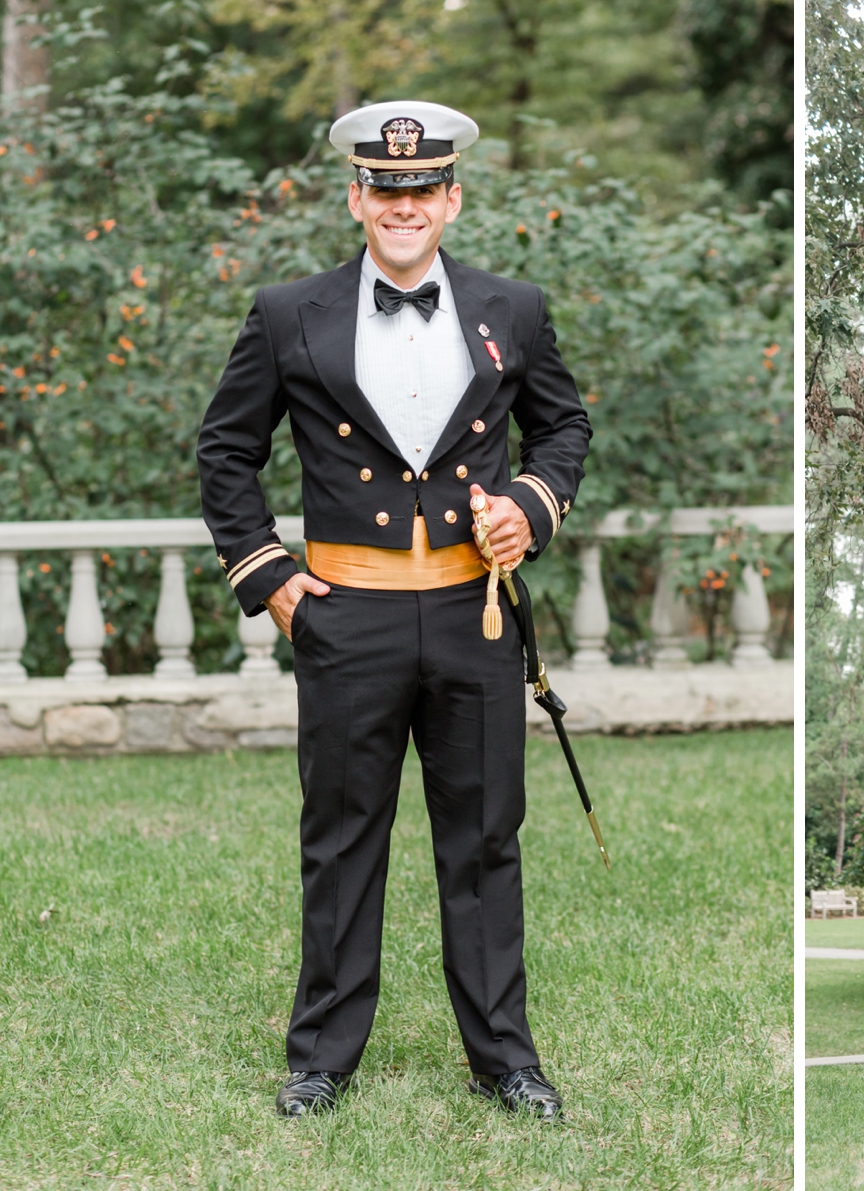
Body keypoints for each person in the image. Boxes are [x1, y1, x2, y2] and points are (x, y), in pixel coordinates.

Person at [197, 101, 591, 1118]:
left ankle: (505, 1059)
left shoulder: (517, 308)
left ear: (451, 199)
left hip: (477, 613)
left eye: (422, 190)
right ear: (354, 198)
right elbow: (225, 453)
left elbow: (565, 426)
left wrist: (531, 509)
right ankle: (322, 1054)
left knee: (485, 841)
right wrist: (273, 579)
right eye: (385, 189)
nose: (403, 205)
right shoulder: (290, 313)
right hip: (346, 618)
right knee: (339, 841)